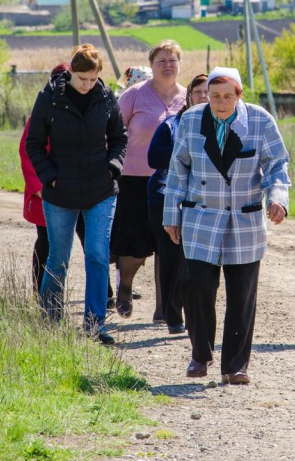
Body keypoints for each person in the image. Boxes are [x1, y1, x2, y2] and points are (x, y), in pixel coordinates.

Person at [163, 67, 290, 385]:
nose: (220, 102)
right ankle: (199, 355)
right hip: (201, 216)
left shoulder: (259, 120)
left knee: (242, 293)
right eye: (214, 95)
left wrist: (278, 197)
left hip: (243, 218)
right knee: (196, 286)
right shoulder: (192, 120)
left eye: (227, 96)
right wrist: (170, 215)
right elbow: (177, 168)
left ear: (239, 95)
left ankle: (235, 365)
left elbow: (276, 164)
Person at [25, 44, 127, 345]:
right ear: (70, 72)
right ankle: (50, 319)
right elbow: (33, 144)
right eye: (82, 79)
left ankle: (95, 325)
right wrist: (49, 179)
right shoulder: (49, 98)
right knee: (58, 257)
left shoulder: (106, 97)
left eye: (93, 80)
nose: (87, 85)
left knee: (96, 254)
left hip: (101, 189)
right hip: (60, 191)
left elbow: (119, 137)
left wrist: (113, 167)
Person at [112, 40, 187, 321]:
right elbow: (114, 133)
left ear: (180, 65)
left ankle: (164, 306)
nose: (168, 65)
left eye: (172, 60)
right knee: (135, 243)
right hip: (134, 180)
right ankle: (126, 286)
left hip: (175, 182)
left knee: (169, 244)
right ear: (151, 66)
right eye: (161, 61)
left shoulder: (187, 97)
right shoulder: (133, 95)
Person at [146, 73, 209, 335]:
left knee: (194, 260)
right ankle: (173, 315)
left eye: (209, 92)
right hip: (165, 197)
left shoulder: (223, 126)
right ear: (189, 96)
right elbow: (153, 157)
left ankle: (192, 309)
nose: (203, 97)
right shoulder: (172, 125)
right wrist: (184, 153)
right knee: (172, 257)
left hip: (203, 201)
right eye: (198, 92)